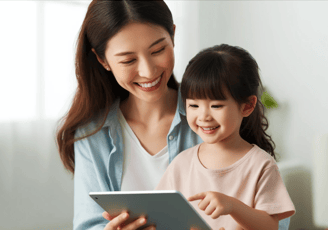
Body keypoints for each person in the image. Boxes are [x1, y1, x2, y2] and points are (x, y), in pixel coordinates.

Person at [56, 0, 291, 229]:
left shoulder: (212, 121)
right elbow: (89, 224)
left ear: (173, 36)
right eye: (128, 60)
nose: (148, 71)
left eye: (158, 50)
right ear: (102, 60)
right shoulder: (93, 133)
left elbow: (275, 218)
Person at [155, 44, 296, 230]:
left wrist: (232, 206)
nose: (204, 116)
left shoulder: (261, 165)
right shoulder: (181, 164)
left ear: (247, 106)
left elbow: (270, 226)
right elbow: (160, 217)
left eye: (216, 106)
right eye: (194, 106)